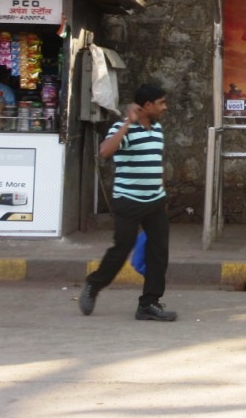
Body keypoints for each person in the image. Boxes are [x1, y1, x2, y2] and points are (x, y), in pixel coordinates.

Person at [79, 84, 177, 322]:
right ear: (147, 106)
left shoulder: (157, 129)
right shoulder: (123, 128)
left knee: (159, 253)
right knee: (121, 248)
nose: (165, 107)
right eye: (161, 103)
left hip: (154, 201)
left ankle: (148, 303)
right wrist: (126, 123)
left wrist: (161, 197)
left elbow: (154, 164)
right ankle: (94, 285)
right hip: (128, 201)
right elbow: (105, 151)